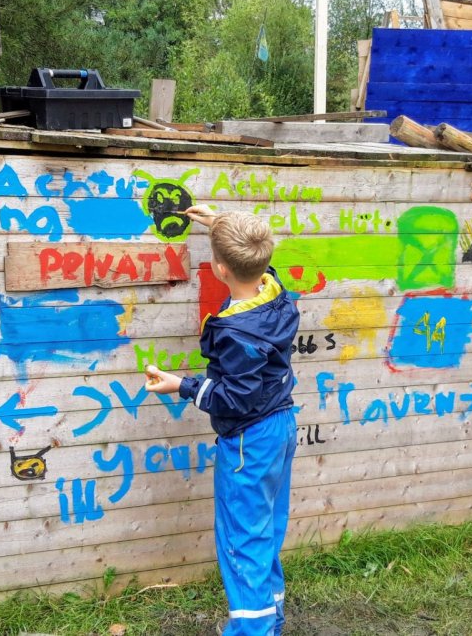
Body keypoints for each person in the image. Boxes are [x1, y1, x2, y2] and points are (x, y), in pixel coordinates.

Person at [145, 206, 300, 636]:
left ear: (220, 269)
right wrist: (220, 226)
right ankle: (269, 620)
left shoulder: (237, 332)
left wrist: (182, 385)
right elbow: (255, 263)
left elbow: (235, 399)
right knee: (263, 531)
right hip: (281, 427)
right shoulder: (276, 294)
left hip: (249, 440)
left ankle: (252, 631)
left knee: (241, 541)